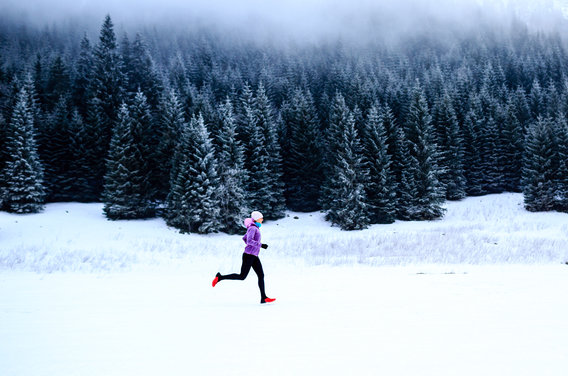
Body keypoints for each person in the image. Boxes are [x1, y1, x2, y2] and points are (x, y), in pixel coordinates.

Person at [212, 211, 276, 304]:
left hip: (254, 256)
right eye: (261, 218)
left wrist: (255, 246)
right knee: (242, 276)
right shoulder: (253, 228)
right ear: (256, 219)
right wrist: (261, 245)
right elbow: (249, 240)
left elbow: (245, 239)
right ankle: (220, 277)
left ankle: (263, 297)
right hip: (248, 255)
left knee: (261, 275)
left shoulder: (254, 228)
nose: (262, 219)